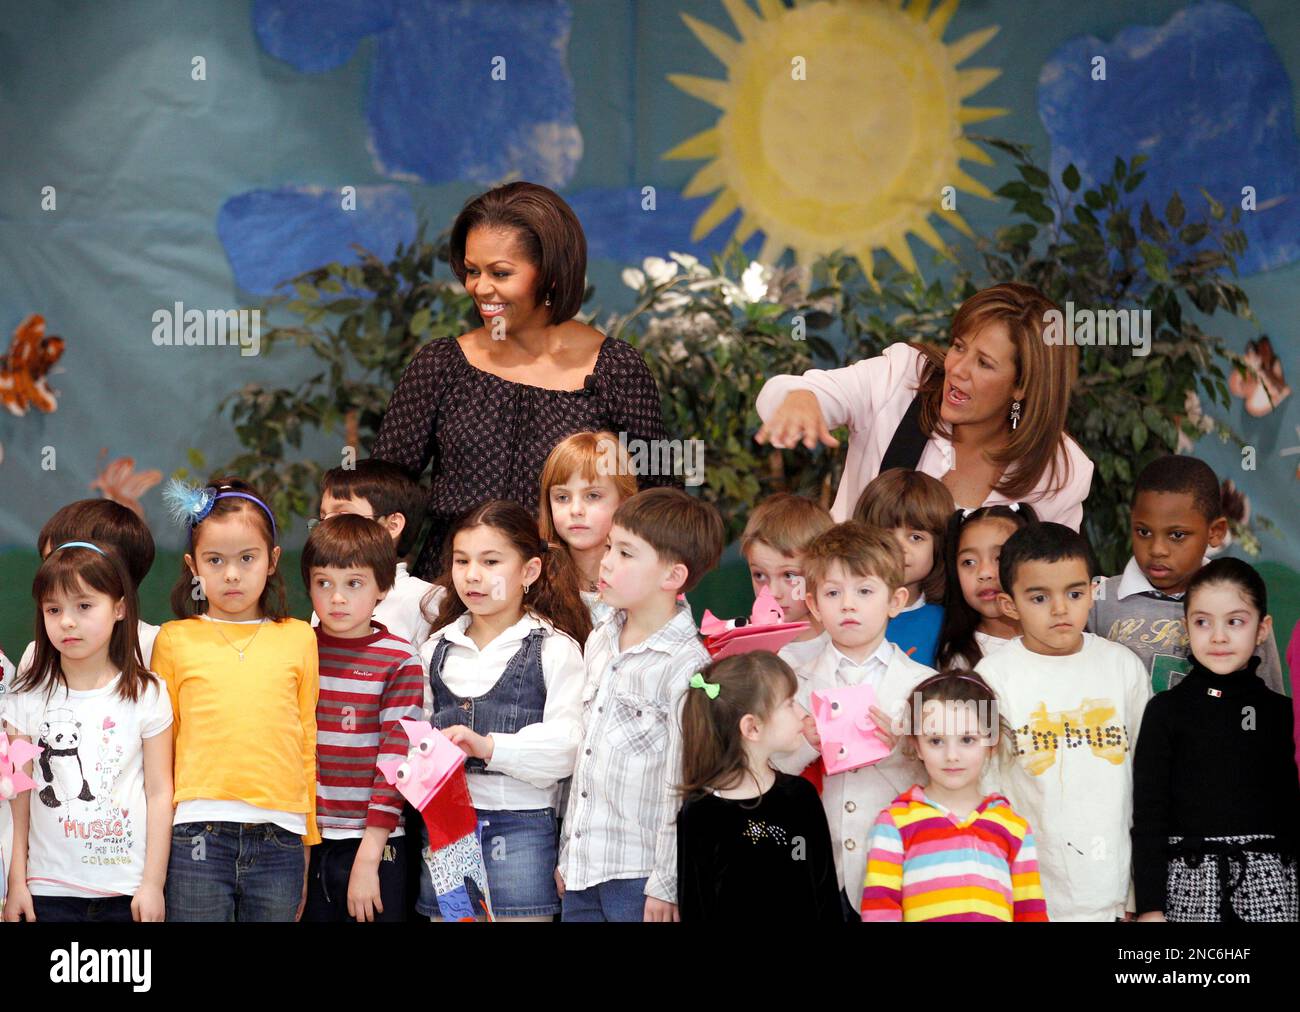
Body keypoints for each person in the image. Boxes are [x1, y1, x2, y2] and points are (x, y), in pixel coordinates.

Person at [371, 181, 680, 579]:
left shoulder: (615, 369)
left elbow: (658, 500)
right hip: (453, 593)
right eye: (471, 271)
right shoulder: (441, 365)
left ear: (550, 273)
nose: (480, 288)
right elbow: (384, 492)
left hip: (572, 600)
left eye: (500, 273)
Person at [754, 282, 1093, 529]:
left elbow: (1051, 578)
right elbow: (787, 393)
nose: (957, 369)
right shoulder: (903, 377)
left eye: (984, 364)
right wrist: (801, 398)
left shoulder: (1062, 470)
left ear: (1022, 386)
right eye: (959, 347)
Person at [151, 476, 320, 921]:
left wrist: (307, 837)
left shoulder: (299, 637)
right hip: (194, 835)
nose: (231, 573)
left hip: (281, 835)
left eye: (247, 558)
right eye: (215, 560)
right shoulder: (173, 639)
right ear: (194, 566)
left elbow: (306, 737)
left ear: (271, 560)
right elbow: (162, 750)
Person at [558, 488, 725, 922]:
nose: (607, 561)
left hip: (640, 878)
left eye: (626, 553)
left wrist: (667, 883)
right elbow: (584, 762)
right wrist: (567, 854)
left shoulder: (689, 665)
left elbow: (684, 784)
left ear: (672, 577)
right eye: (610, 546)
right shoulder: (599, 639)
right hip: (582, 869)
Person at [420, 500, 589, 920]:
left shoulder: (554, 649)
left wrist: (488, 746)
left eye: (491, 561)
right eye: (462, 561)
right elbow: (410, 740)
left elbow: (570, 747)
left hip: (523, 828)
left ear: (529, 572)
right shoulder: (433, 651)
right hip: (447, 834)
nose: (472, 575)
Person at [976, 523, 1150, 920]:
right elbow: (984, 787)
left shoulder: (1121, 667)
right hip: (1028, 894)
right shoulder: (993, 677)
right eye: (1039, 597)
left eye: (1074, 593)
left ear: (1094, 591)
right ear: (1009, 605)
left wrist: (1138, 894)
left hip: (1112, 893)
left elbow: (1147, 779)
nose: (1059, 609)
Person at [770, 521, 935, 918]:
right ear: (813, 605)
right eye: (832, 593)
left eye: (864, 591)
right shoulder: (794, 680)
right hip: (819, 864)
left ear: (894, 601)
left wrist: (904, 747)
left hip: (900, 862)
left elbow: (948, 771)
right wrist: (805, 746)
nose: (848, 605)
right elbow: (769, 766)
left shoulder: (924, 685)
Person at [2, 542, 172, 923]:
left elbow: (160, 792)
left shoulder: (149, 693)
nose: (67, 621)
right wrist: (17, 884)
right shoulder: (25, 699)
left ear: (119, 608)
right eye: (53, 609)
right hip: (47, 891)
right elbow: (19, 802)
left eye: (84, 606)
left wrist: (152, 884)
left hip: (126, 891)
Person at [1132, 558, 1299, 922]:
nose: (1218, 636)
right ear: (1185, 626)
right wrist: (1150, 907)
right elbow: (1148, 815)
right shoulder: (1165, 711)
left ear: (1262, 628)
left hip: (1273, 885)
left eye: (1235, 622)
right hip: (1188, 887)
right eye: (1202, 622)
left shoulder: (1282, 713)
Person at [302, 515, 424, 922]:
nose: (337, 598)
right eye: (323, 583)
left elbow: (397, 759)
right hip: (306, 840)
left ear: (383, 587)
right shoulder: (298, 649)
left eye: (353, 583)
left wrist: (369, 857)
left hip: (377, 841)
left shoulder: (399, 658)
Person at [1089, 454, 1285, 693]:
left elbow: (1269, 705)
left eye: (1177, 535)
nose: (1157, 550)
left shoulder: (1241, 605)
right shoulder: (1097, 600)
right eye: (1143, 532)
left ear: (1215, 532)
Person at [861, 671, 1047, 921]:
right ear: (917, 746)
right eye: (936, 741)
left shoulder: (1014, 828)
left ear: (992, 743)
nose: (952, 755)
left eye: (967, 739)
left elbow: (1031, 914)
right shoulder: (894, 824)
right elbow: (879, 914)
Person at [676, 652, 841, 923]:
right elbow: (696, 907)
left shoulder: (801, 797)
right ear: (752, 727)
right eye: (789, 704)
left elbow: (824, 893)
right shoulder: (699, 814)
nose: (802, 713)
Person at [310, 458, 442, 653]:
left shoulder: (426, 600)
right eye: (323, 518)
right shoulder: (326, 599)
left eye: (343, 515)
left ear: (393, 525)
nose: (328, 527)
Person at [15, 499, 160, 676]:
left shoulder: (158, 647)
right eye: (48, 563)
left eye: (61, 560)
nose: (51, 574)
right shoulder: (36, 658)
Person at [853, 468, 954, 665]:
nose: (899, 548)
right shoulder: (843, 610)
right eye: (887, 535)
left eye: (916, 537)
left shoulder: (947, 625)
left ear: (939, 546)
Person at [539, 430, 638, 629]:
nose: (576, 510)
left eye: (592, 496)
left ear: (625, 502)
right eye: (562, 497)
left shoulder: (648, 581)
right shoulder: (533, 581)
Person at [936, 503, 1038, 670]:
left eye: (999, 558)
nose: (984, 573)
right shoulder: (959, 660)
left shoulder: (1062, 635)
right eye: (969, 562)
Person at [739, 493, 834, 671]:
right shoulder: (744, 655)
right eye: (759, 575)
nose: (773, 592)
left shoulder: (847, 644)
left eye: (789, 575)